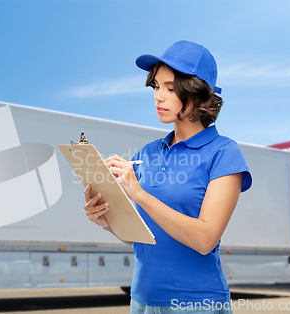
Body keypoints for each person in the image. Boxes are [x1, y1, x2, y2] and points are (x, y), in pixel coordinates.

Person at [83, 40, 252, 314]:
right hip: (142, 301)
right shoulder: (146, 153)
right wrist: (107, 221)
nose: (158, 96)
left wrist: (137, 192)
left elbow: (205, 239)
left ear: (198, 93)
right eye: (156, 86)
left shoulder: (224, 153)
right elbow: (144, 238)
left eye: (170, 89)